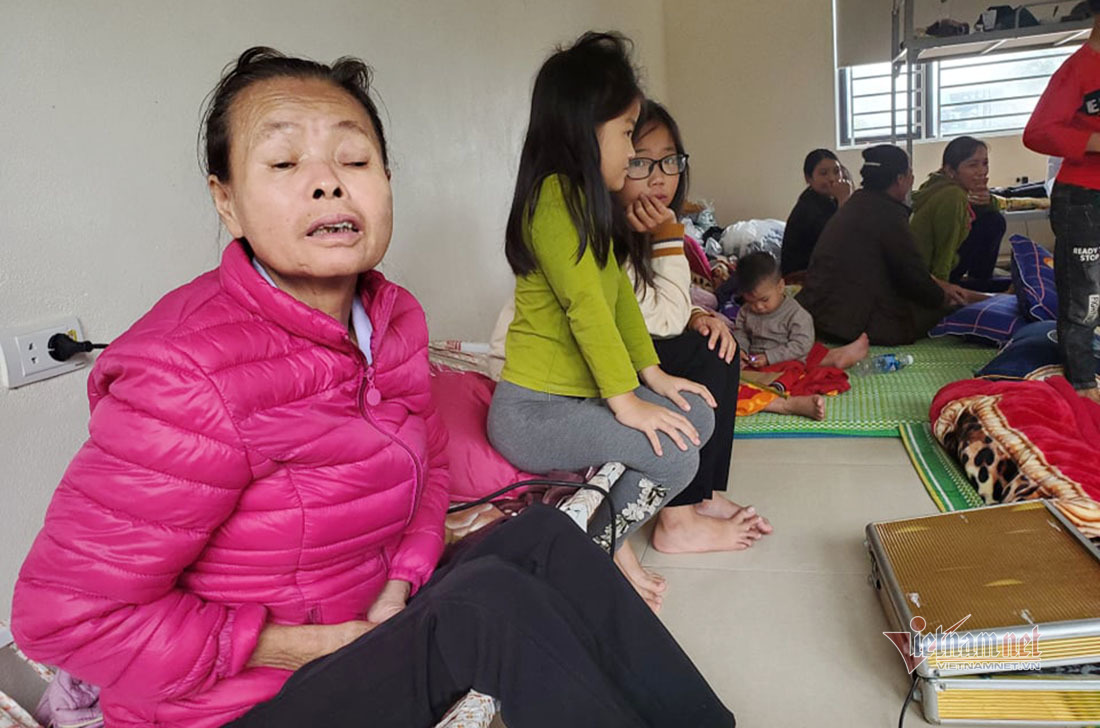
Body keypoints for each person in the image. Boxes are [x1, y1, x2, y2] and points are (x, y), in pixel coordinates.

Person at [10, 47, 735, 728]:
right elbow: (65, 619)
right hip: (241, 702)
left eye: (355, 158)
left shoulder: (391, 321)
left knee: (543, 533)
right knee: (486, 607)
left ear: (386, 182)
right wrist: (298, 644)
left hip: (361, 632)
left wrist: (402, 582)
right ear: (225, 200)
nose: (328, 180)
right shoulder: (185, 371)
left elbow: (429, 470)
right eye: (286, 161)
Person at [487, 33, 719, 612]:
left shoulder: (589, 209)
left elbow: (616, 302)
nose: (631, 151)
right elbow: (585, 310)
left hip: (579, 399)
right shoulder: (553, 202)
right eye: (624, 134)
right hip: (533, 411)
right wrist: (627, 400)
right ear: (583, 131)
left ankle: (597, 530)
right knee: (678, 455)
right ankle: (590, 548)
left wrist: (655, 378)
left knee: (696, 413)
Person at [616, 100, 773, 552]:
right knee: (697, 358)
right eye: (642, 162)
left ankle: (701, 494)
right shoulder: (613, 229)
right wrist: (668, 240)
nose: (660, 175)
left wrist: (700, 315)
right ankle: (677, 519)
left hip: (638, 337)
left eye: (670, 160)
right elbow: (652, 317)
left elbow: (666, 305)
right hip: (605, 357)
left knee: (717, 344)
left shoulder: (654, 222)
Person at [797, 145, 961, 346]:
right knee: (949, 307)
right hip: (849, 325)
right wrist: (942, 298)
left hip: (818, 315)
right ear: (900, 179)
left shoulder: (857, 203)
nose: (912, 178)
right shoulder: (887, 213)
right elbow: (912, 275)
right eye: (909, 173)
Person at [1023, 0, 1100, 405]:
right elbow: (1037, 132)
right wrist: (1092, 142)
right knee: (1084, 296)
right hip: (1083, 197)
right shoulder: (1076, 70)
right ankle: (1084, 386)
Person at [733, 252, 868, 421]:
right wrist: (742, 350)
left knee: (800, 363)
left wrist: (770, 357)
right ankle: (834, 358)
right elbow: (740, 332)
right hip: (755, 363)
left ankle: (833, 360)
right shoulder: (746, 311)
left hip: (785, 360)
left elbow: (801, 344)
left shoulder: (796, 314)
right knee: (732, 376)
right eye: (751, 302)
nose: (758, 307)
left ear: (780, 286)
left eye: (764, 299)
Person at [910, 136, 1010, 292]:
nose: (981, 171)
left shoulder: (940, 183)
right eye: (972, 165)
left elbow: (993, 209)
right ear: (951, 170)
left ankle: (978, 280)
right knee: (1010, 290)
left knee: (993, 219)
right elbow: (945, 249)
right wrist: (942, 292)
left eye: (985, 163)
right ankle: (977, 282)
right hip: (929, 278)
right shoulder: (953, 195)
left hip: (938, 270)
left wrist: (988, 200)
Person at [780, 149, 853, 279]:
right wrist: (844, 201)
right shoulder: (808, 207)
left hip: (823, 268)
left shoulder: (830, 199)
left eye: (837, 171)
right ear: (809, 178)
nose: (832, 178)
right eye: (823, 173)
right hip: (801, 275)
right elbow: (838, 241)